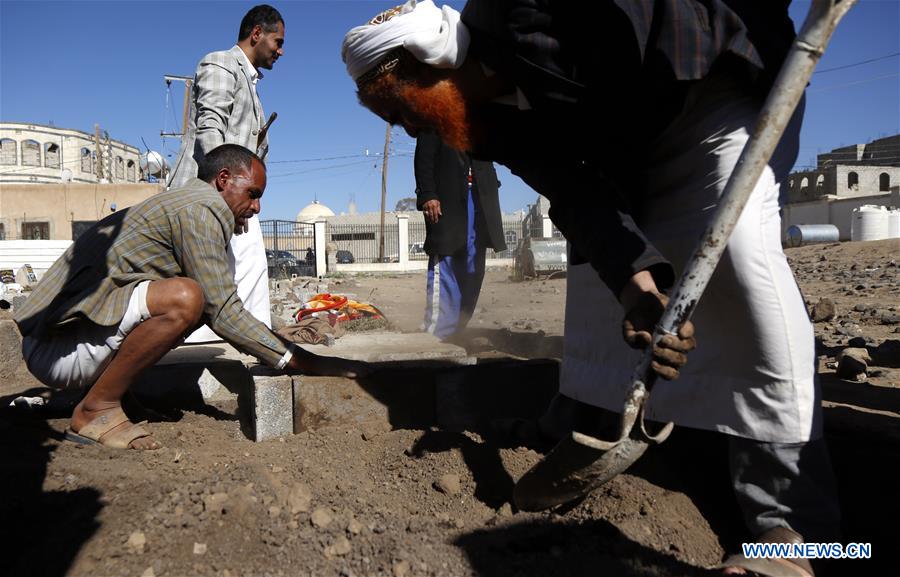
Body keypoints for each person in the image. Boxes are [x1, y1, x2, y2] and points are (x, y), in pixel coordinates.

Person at [341, 1, 840, 575]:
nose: (407, 128)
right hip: (628, 150)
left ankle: (793, 529)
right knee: (594, 281)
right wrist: (636, 291)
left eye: (403, 110)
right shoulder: (483, 125)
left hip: (711, 91)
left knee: (738, 261)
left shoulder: (524, 10)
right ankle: (582, 424)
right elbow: (575, 194)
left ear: (436, 68)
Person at [15, 145, 367, 451]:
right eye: (253, 193)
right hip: (58, 349)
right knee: (187, 298)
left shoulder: (190, 202)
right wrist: (300, 359)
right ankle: (97, 408)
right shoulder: (201, 209)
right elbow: (224, 310)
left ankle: (116, 395)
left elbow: (218, 301)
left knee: (196, 298)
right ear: (224, 179)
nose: (257, 207)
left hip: (64, 340)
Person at [168, 4, 285, 342]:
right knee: (208, 276)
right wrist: (223, 196)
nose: (281, 50)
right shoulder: (220, 63)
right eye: (277, 41)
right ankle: (204, 355)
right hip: (213, 193)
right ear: (256, 34)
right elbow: (210, 130)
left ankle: (253, 345)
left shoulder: (251, 82)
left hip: (234, 195)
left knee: (248, 268)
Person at [414, 129, 506, 339]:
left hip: (481, 196)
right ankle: (438, 331)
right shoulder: (435, 116)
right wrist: (428, 193)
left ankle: (458, 327)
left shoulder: (478, 116)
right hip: (448, 198)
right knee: (446, 257)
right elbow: (424, 158)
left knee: (474, 265)